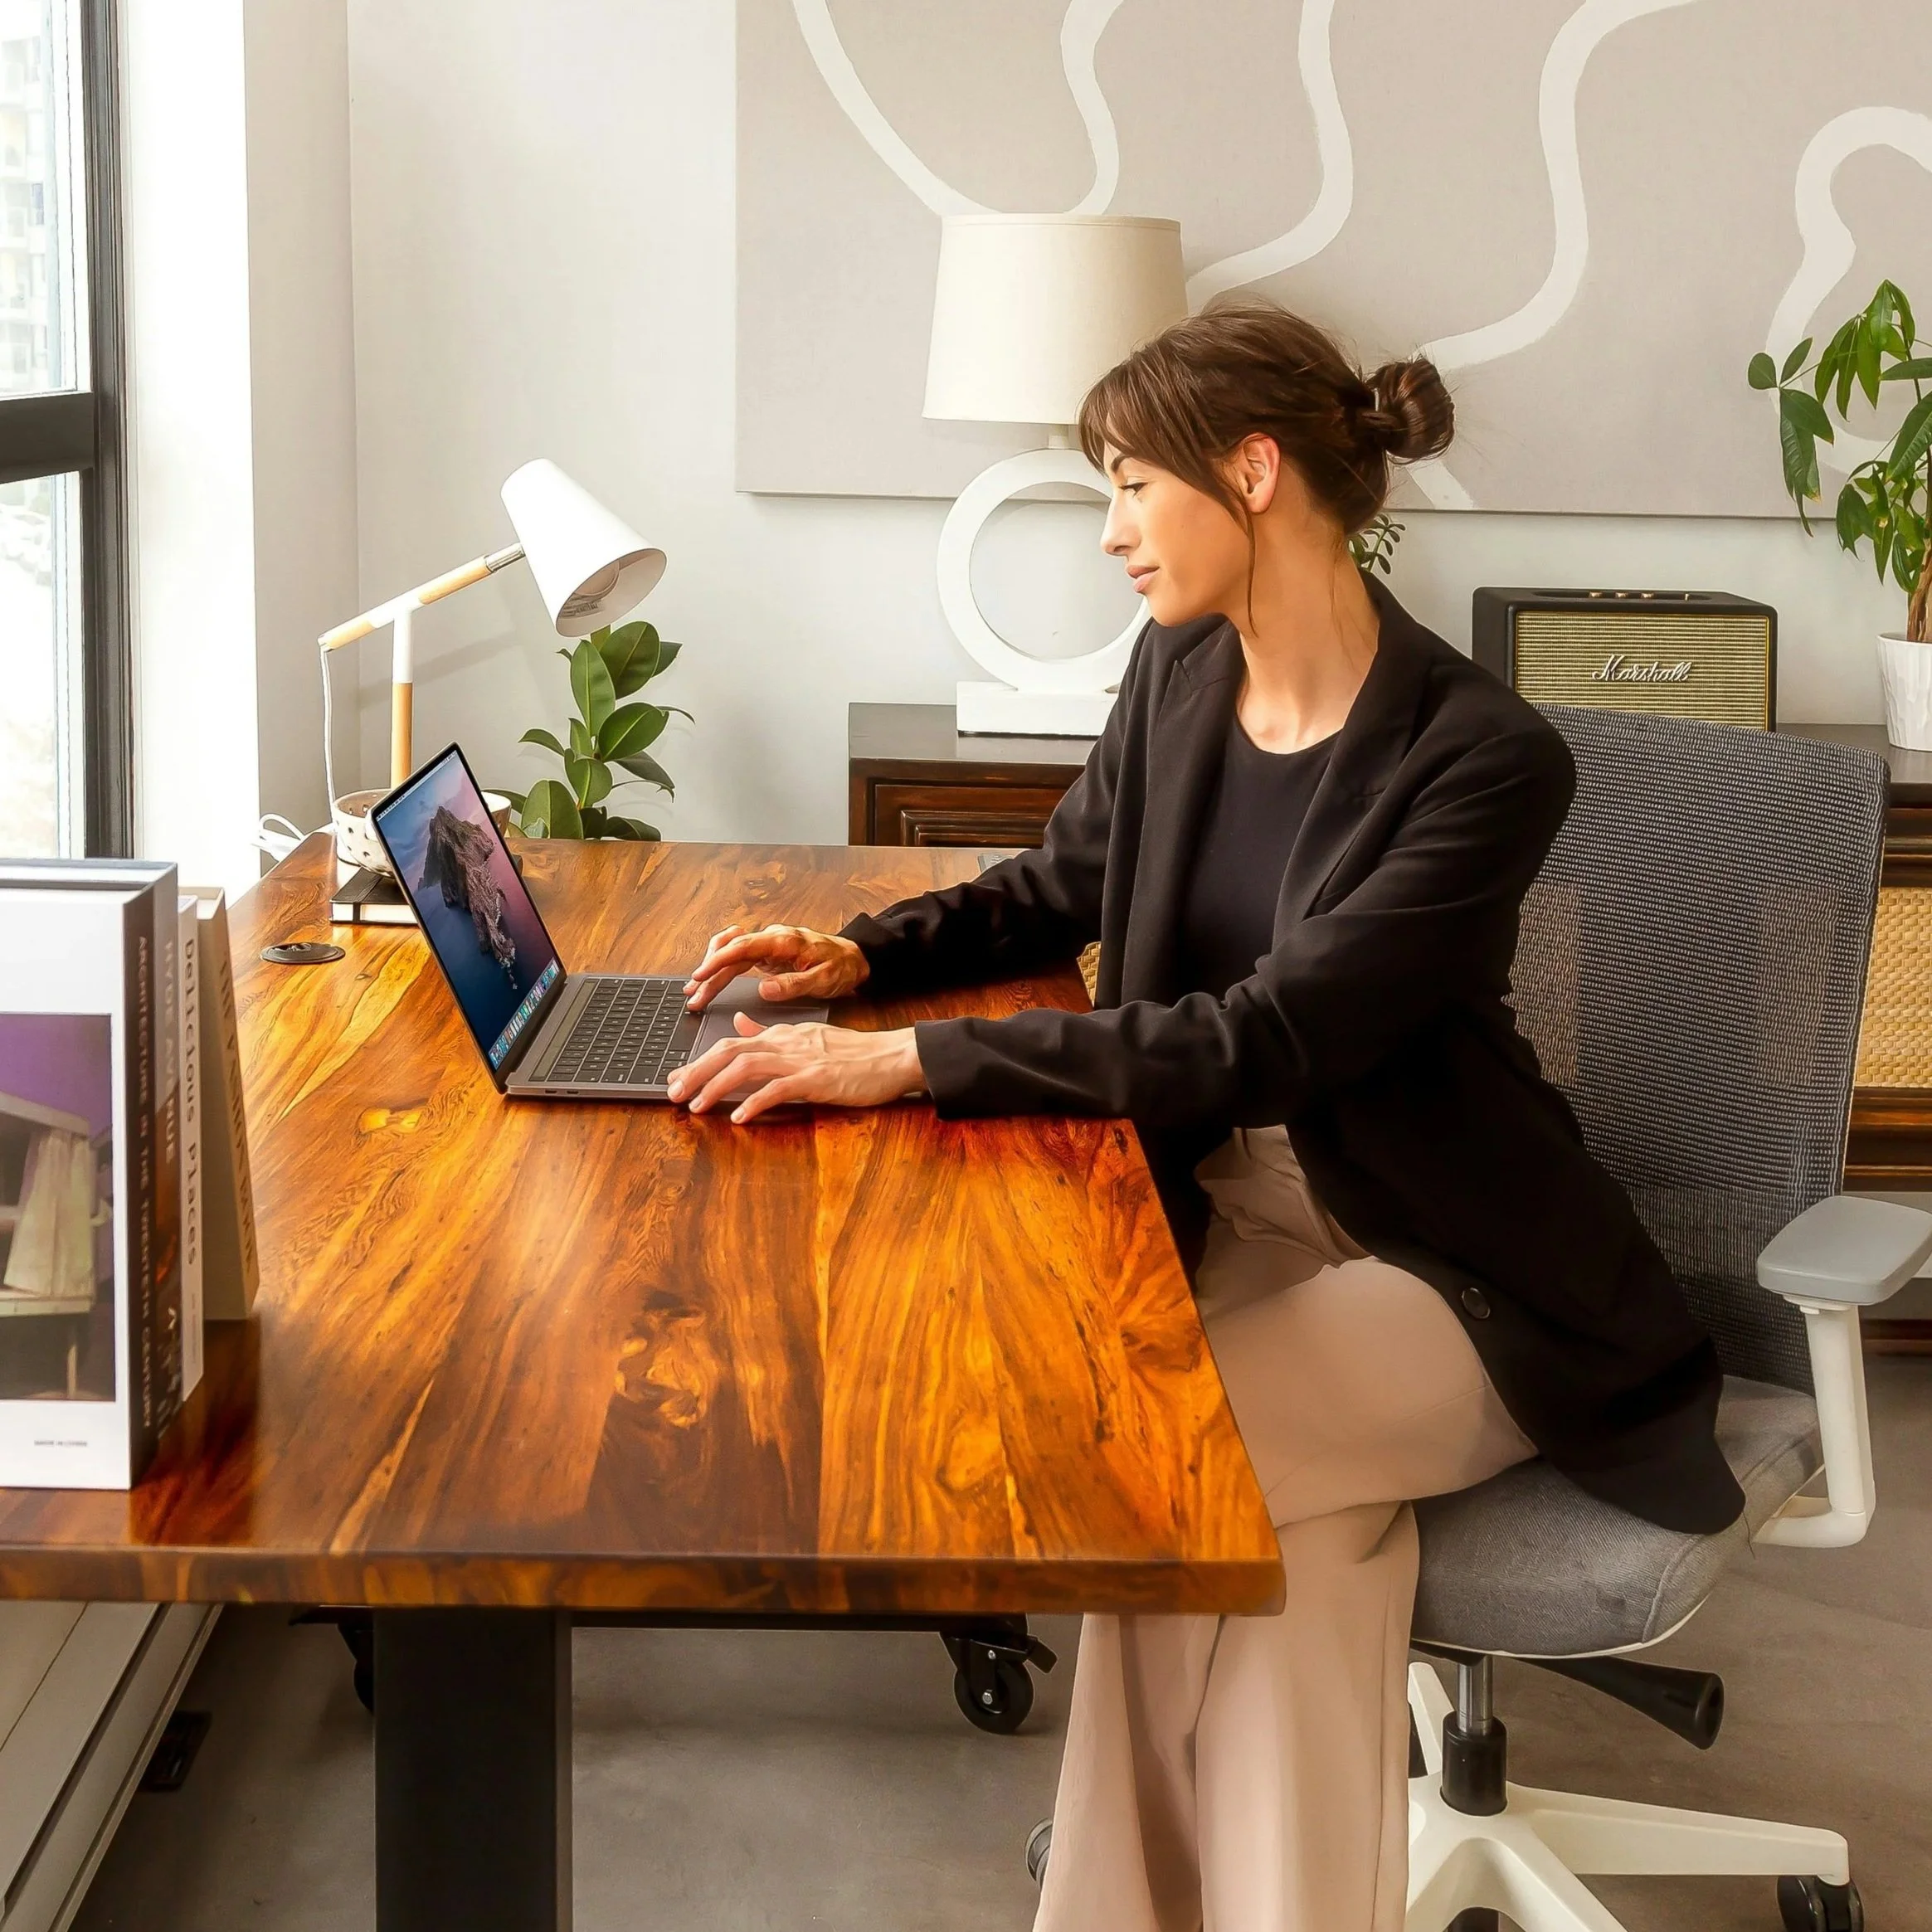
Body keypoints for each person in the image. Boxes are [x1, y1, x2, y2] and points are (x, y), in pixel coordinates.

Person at [666, 299, 1743, 1932]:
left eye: (1128, 487)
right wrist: (863, 955)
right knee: (1301, 1568)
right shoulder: (1181, 675)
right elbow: (1064, 884)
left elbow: (1273, 1035)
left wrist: (913, 1065)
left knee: (1155, 1466)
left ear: (1249, 477)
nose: (1108, 535)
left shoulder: (1481, 758)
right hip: (1233, 1215)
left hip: (1454, 1267)